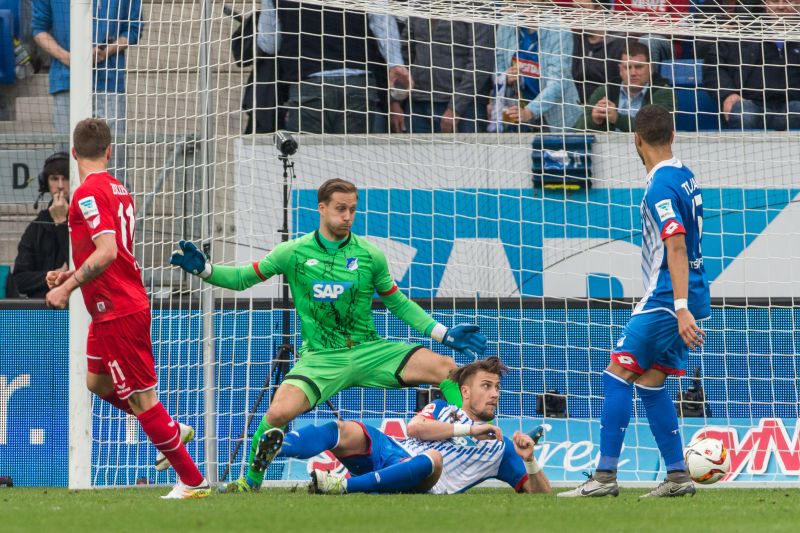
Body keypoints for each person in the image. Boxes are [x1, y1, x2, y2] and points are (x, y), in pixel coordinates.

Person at [170, 178, 488, 493]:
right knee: (277, 413)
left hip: (369, 351)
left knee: (448, 369)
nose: (347, 216)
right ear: (321, 209)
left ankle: (469, 438)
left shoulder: (369, 255)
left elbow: (398, 303)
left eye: (352, 209)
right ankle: (250, 481)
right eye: (340, 209)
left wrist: (443, 333)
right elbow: (242, 278)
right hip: (321, 358)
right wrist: (206, 271)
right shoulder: (292, 253)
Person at [45, 118, 209, 500]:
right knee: (97, 382)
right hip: (110, 306)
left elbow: (107, 252)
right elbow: (108, 252)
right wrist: (68, 272)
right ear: (109, 151)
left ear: (73, 152)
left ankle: (193, 481)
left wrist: (68, 288)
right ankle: (169, 427)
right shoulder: (119, 189)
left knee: (141, 399)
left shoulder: (86, 194)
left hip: (118, 307)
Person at [559, 105, 709, 498]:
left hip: (666, 297)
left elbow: (674, 244)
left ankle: (604, 478)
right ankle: (678, 477)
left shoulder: (659, 186)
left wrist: (678, 307)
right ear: (673, 136)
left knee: (616, 373)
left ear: (636, 139)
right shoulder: (686, 176)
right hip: (690, 290)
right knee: (651, 382)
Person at [257, 357, 551, 495]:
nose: (495, 394)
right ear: (465, 393)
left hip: (425, 480)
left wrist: (531, 461)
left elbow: (541, 498)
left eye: (497, 387)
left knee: (432, 459)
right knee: (344, 429)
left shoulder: (500, 449)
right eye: (486, 386)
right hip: (393, 452)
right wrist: (468, 430)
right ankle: (277, 447)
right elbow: (416, 429)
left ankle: (341, 486)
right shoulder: (442, 408)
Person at [257, 0, 409, 134]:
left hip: (309, 81)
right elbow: (382, 24)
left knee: (310, 159)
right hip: (356, 81)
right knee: (353, 158)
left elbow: (269, 44)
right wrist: (395, 63)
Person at [32, 0, 142, 178]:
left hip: (109, 81)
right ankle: (69, 205)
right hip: (66, 80)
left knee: (114, 156)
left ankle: (114, 203)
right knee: (66, 156)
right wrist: (70, 58)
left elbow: (133, 29)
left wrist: (105, 52)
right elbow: (38, 30)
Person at [702, 0, 800, 131]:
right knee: (744, 114)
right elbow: (713, 65)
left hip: (793, 104)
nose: (781, 7)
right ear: (765, 3)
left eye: (788, 1)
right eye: (775, 1)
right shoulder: (743, 31)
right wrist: (728, 94)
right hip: (751, 103)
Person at [398, 14, 495, 133]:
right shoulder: (419, 5)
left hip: (465, 110)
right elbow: (406, 53)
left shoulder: (477, 6)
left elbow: (481, 62)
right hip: (418, 104)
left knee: (466, 152)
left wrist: (455, 108)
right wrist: (397, 100)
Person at [575, 41, 674, 132]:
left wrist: (617, 118)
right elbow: (577, 130)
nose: (633, 73)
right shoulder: (605, 91)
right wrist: (594, 120)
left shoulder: (664, 92)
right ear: (620, 69)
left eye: (638, 67)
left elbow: (656, 129)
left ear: (650, 68)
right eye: (627, 67)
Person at [12, 152, 70, 298]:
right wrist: (50, 277)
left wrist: (62, 222)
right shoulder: (36, 227)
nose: (61, 185)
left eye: (66, 178)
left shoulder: (84, 218)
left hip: (77, 308)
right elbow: (19, 280)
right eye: (55, 179)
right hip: (42, 309)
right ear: (46, 183)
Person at [570, 0, 626, 105]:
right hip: (572, 105)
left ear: (599, 11)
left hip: (605, 107)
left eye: (581, 8)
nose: (575, 13)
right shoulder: (572, 38)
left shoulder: (621, 43)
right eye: (574, 7)